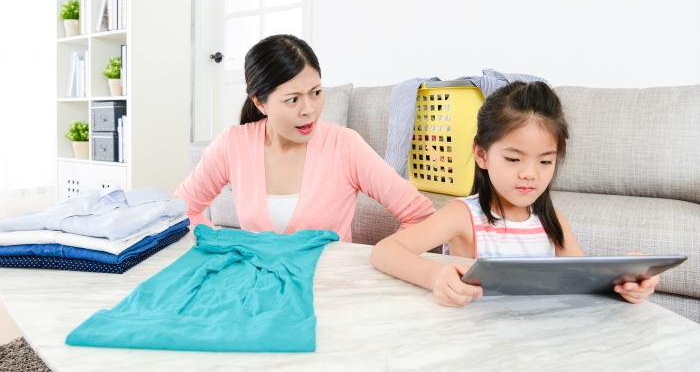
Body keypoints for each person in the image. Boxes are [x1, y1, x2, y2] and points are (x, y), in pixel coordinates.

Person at [370, 81, 659, 307]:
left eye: (545, 161)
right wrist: (434, 276)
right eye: (513, 159)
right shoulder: (464, 216)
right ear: (481, 155)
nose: (530, 174)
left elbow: (581, 282)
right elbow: (385, 252)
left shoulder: (553, 222)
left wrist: (626, 281)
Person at [174, 34, 435, 242]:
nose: (309, 109)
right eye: (292, 99)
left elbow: (420, 215)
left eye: (316, 92)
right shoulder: (233, 144)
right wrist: (226, 249)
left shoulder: (344, 145)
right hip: (258, 288)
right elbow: (181, 211)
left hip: (326, 291)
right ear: (260, 103)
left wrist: (385, 259)